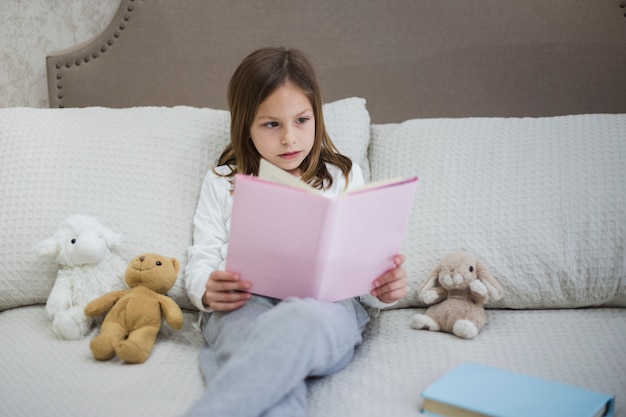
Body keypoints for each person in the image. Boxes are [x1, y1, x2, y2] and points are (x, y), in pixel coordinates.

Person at [183, 47, 408, 417]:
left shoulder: (343, 175)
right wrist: (207, 288)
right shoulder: (222, 181)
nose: (290, 138)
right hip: (245, 305)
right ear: (245, 126)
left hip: (324, 308)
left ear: (317, 115)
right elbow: (202, 257)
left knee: (295, 327)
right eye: (272, 124)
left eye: (302, 120)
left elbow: (363, 267)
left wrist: (382, 288)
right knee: (256, 350)